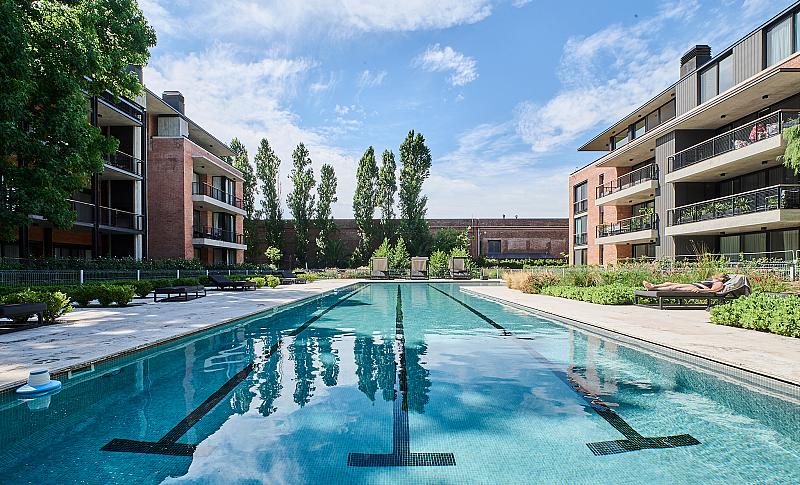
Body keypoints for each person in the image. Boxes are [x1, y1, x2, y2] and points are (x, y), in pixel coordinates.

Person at [642, 273, 729, 293]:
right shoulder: (713, 280)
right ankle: (653, 285)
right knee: (669, 283)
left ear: (722, 279)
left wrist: (699, 289)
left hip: (697, 288)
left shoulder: (719, 283)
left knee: (675, 288)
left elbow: (712, 290)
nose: (716, 275)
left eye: (719, 275)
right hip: (694, 284)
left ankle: (653, 288)